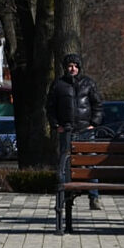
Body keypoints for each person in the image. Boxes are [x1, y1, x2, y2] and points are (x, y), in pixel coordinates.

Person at [46, 52, 105, 210]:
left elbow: (98, 105)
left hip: (86, 130)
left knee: (90, 163)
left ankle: (94, 197)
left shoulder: (88, 83)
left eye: (75, 66)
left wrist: (94, 123)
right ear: (65, 68)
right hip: (66, 130)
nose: (72, 69)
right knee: (65, 163)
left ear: (79, 67)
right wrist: (55, 125)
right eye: (70, 66)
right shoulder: (58, 85)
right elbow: (50, 108)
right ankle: (66, 195)